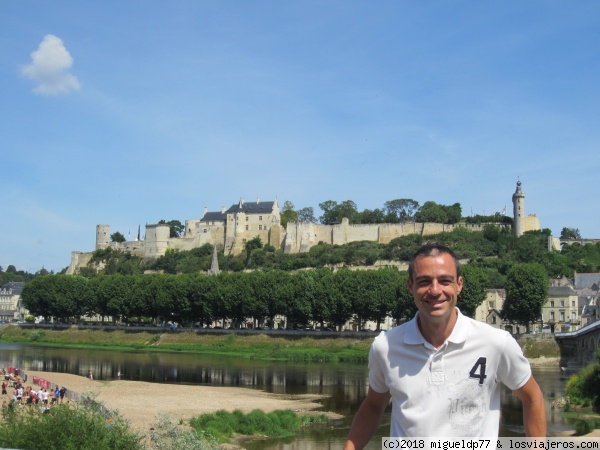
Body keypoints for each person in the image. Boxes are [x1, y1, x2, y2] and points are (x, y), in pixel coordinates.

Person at [344, 244, 546, 449]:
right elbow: (373, 406)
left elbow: (533, 398)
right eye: (424, 282)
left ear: (459, 285)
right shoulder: (385, 347)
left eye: (444, 280)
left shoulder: (495, 343)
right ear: (410, 286)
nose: (435, 290)